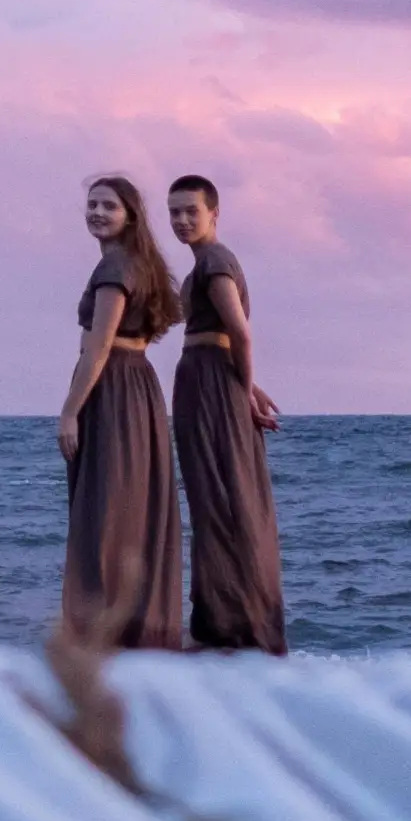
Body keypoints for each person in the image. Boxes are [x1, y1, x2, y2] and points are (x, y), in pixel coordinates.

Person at [55, 173, 184, 652]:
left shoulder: (115, 270)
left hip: (112, 388)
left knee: (104, 512)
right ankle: (137, 627)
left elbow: (100, 347)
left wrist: (70, 411)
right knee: (131, 509)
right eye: (92, 204)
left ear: (129, 215)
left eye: (108, 205)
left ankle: (101, 636)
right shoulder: (138, 265)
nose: (97, 212)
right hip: (138, 389)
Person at [164, 174, 286, 655]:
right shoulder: (204, 266)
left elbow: (241, 333)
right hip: (208, 377)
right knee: (218, 498)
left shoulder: (214, 262)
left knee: (221, 501)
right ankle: (223, 621)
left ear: (214, 213)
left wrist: (241, 390)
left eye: (191, 211)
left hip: (210, 384)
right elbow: (228, 339)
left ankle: (229, 625)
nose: (181, 220)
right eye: (174, 212)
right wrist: (248, 385)